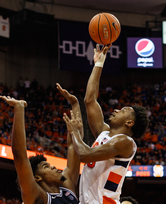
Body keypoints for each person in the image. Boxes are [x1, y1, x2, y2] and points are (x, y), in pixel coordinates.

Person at [64, 45, 150, 204]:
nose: (117, 109)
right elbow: (89, 100)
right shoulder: (104, 133)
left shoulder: (125, 142)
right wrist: (99, 64)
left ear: (129, 122)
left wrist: (75, 132)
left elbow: (85, 155)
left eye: (123, 110)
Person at [0, 83, 82, 204]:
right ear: (37, 178)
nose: (53, 166)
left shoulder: (67, 188)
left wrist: (75, 105)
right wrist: (19, 108)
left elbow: (73, 147)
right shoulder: (38, 197)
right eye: (46, 167)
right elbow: (20, 156)